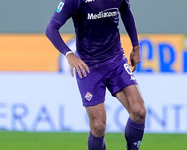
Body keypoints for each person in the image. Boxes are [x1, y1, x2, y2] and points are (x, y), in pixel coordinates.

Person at [46, 0, 146, 149]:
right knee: (98, 126)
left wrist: (136, 46)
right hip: (88, 66)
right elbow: (51, 28)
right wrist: (69, 55)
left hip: (115, 60)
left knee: (139, 111)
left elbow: (125, 10)